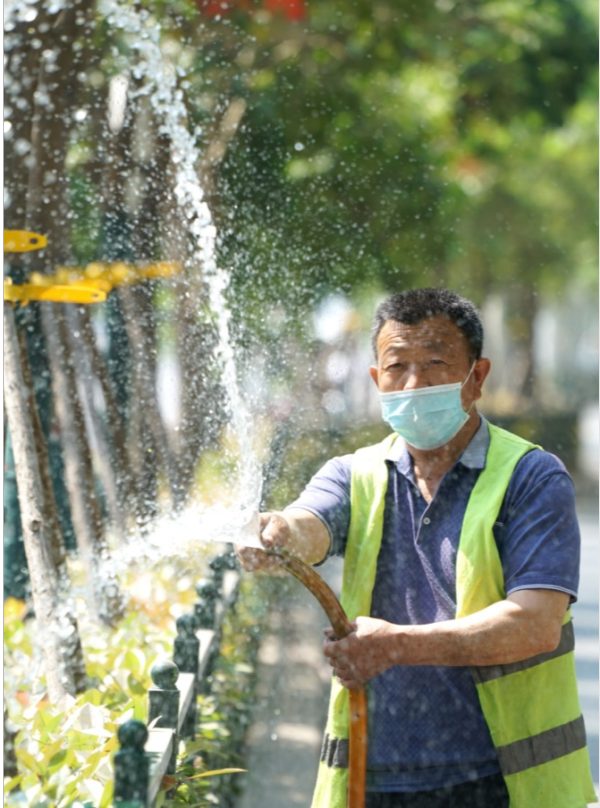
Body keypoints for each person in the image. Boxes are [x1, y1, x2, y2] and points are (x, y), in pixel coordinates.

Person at [237, 288, 596, 808]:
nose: (414, 383)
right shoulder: (353, 474)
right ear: (374, 380)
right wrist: (278, 536)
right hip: (372, 774)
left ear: (477, 377)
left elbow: (535, 624)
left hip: (501, 781)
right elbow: (308, 524)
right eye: (397, 366)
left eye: (435, 363)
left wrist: (396, 645)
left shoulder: (530, 478)